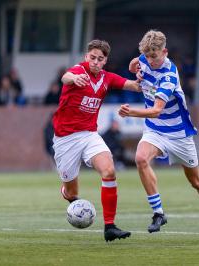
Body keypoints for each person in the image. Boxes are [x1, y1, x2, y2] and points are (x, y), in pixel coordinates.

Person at [119, 30, 199, 240]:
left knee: (196, 182)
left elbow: (156, 109)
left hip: (178, 134)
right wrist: (136, 69)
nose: (150, 60)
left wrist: (131, 112)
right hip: (155, 129)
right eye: (147, 56)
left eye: (154, 56)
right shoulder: (145, 57)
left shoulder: (168, 76)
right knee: (140, 158)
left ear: (164, 51)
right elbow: (134, 63)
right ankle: (158, 213)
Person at [52, 40, 140, 242]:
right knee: (72, 191)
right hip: (65, 139)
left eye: (100, 59)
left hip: (89, 135)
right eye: (92, 57)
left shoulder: (107, 78)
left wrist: (143, 79)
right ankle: (66, 192)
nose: (95, 62)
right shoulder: (77, 71)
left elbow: (133, 86)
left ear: (105, 61)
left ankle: (110, 226)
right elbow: (65, 77)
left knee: (109, 171)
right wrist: (74, 78)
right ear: (86, 57)